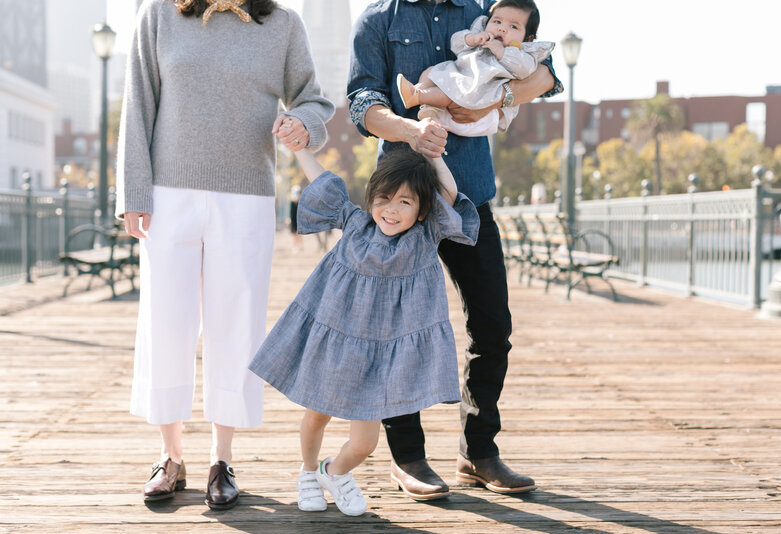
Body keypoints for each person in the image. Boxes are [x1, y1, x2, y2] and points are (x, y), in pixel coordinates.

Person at [115, 0, 334, 510]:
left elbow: (313, 102)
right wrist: (133, 193)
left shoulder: (282, 25)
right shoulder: (160, 15)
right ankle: (170, 456)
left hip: (248, 196)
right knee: (166, 322)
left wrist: (302, 123)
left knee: (235, 323)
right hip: (168, 196)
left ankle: (222, 458)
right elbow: (138, 102)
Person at [347, 0, 563, 500]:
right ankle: (409, 458)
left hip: (472, 196)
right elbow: (362, 100)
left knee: (492, 326)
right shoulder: (378, 19)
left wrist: (497, 97)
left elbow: (549, 75)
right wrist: (409, 129)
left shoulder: (485, 10)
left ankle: (478, 452)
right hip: (404, 200)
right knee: (400, 332)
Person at [248, 131, 479, 515]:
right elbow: (322, 182)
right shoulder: (355, 223)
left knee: (365, 444)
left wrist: (434, 155)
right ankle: (307, 472)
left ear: (422, 211)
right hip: (334, 338)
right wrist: (300, 148)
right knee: (315, 416)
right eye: (384, 198)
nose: (391, 209)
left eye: (404, 202)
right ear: (371, 198)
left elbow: (450, 195)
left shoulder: (424, 237)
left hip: (378, 356)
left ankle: (332, 472)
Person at [396, 0, 554, 137]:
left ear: (527, 38)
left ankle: (417, 96)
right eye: (497, 22)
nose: (502, 28)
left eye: (513, 26)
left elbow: (525, 70)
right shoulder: (481, 38)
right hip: (461, 95)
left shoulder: (522, 54)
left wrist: (501, 52)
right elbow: (455, 44)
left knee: (452, 91)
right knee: (430, 72)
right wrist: (471, 39)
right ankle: (429, 110)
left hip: (482, 114)